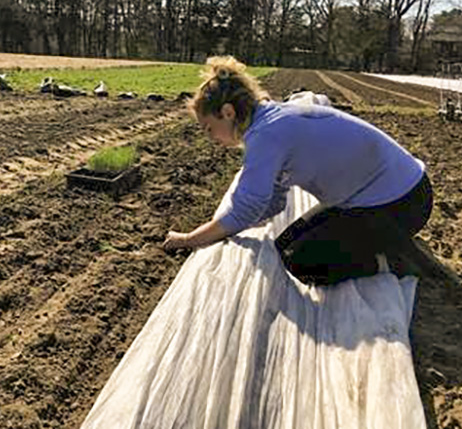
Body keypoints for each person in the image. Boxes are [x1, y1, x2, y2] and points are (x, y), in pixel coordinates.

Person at [163, 56, 433, 285]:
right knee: (285, 245)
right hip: (389, 195)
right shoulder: (270, 121)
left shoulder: (267, 134)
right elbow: (272, 201)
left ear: (228, 112)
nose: (211, 137)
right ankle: (382, 243)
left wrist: (189, 239)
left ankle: (391, 262)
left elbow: (247, 209)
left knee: (301, 262)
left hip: (400, 204)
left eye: (209, 128)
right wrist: (233, 223)